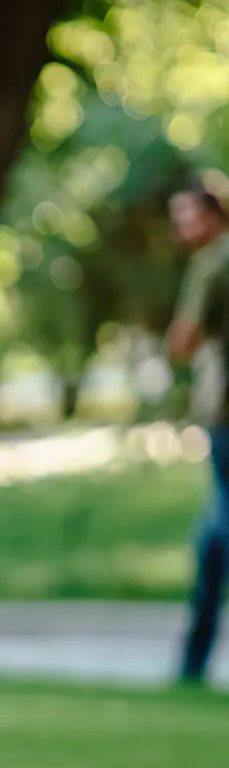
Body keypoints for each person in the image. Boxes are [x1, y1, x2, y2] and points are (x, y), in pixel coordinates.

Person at [167, 179, 229, 682]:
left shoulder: (212, 265)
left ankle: (193, 659)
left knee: (220, 534)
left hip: (226, 417)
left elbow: (182, 340)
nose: (181, 229)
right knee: (212, 535)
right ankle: (192, 662)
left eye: (188, 216)